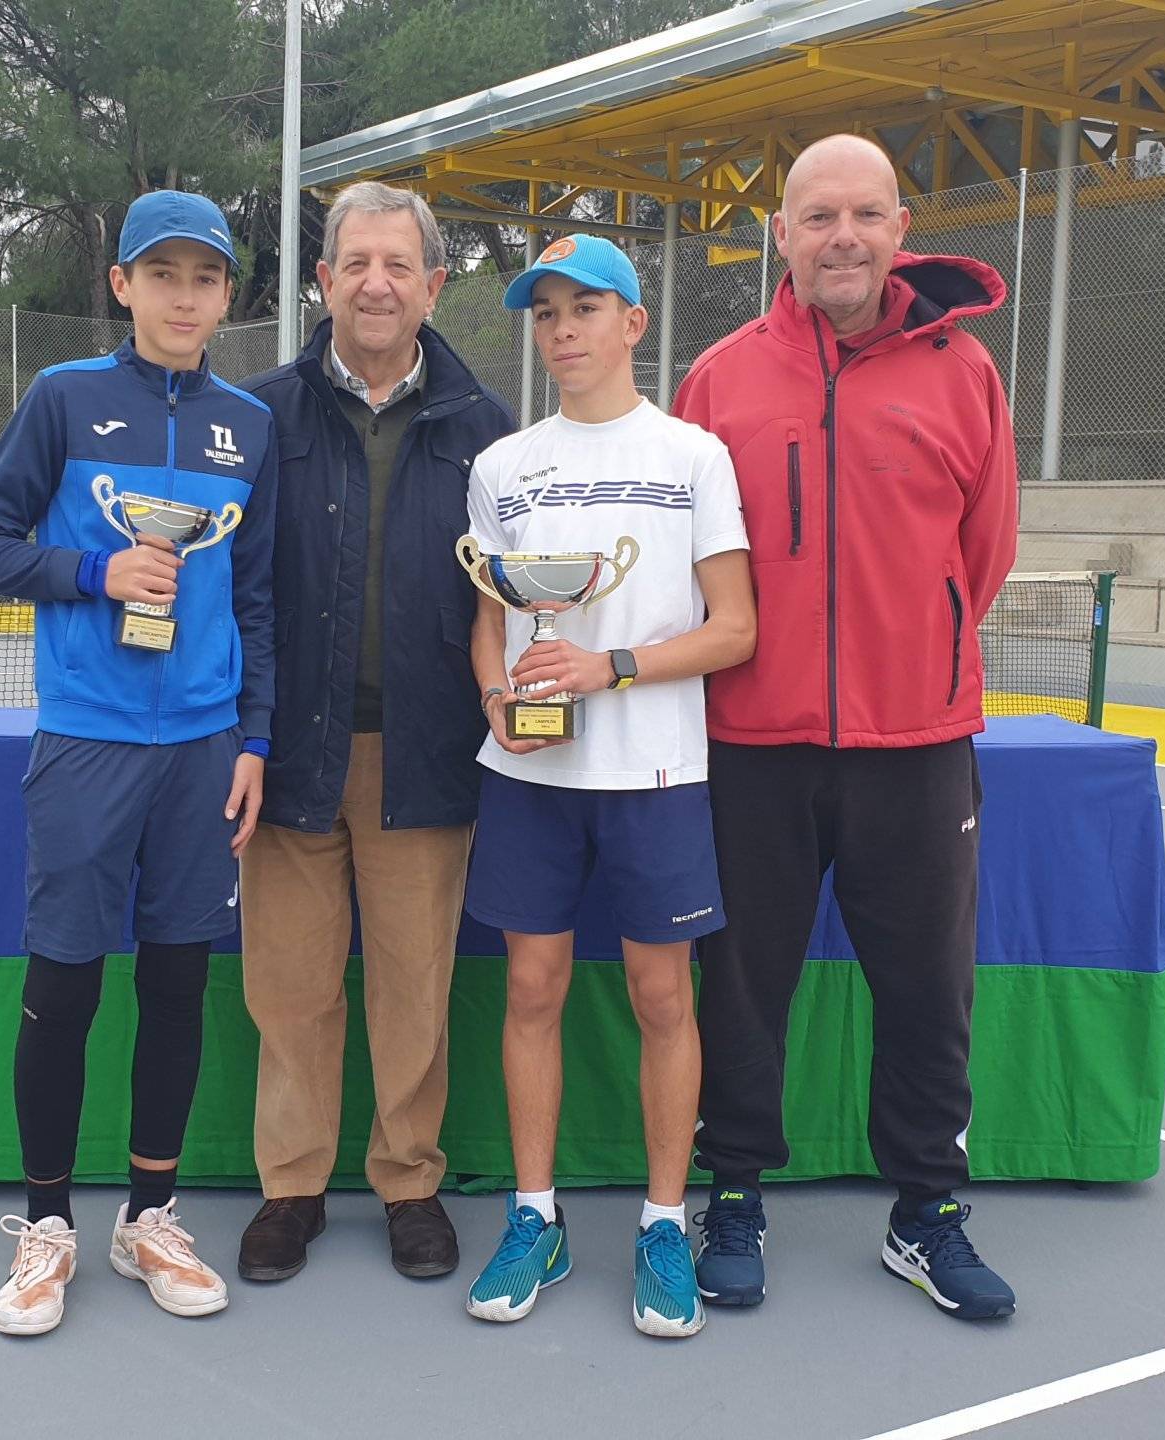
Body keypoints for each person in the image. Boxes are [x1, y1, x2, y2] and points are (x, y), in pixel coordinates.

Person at [675, 135, 1021, 1320]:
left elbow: (982, 555)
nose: (842, 238)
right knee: (741, 984)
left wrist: (908, 658)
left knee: (928, 989)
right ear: (780, 234)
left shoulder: (966, 372)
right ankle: (733, 1196)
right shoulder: (719, 378)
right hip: (752, 747)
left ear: (899, 226)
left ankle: (925, 1213)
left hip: (916, 749)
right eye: (817, 216)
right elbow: (688, 567)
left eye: (864, 215)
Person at [0, 189, 277, 1337]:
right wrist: (95, 576)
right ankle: (48, 1226)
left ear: (226, 297)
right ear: (122, 286)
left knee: (179, 982)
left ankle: (150, 1215)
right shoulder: (63, 399)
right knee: (67, 985)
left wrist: (254, 741)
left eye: (206, 278)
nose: (184, 296)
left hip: (200, 755)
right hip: (86, 742)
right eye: (163, 274)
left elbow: (259, 598)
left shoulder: (251, 423)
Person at [455, 234, 754, 1338]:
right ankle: (535, 1215)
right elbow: (488, 621)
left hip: (658, 772)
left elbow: (736, 629)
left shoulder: (693, 456)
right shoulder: (502, 467)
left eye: (586, 308)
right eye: (546, 314)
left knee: (661, 999)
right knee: (530, 993)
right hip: (530, 775)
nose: (563, 330)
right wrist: (498, 699)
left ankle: (663, 1222)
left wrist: (610, 667)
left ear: (634, 323)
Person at [234, 183, 514, 1283]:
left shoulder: (488, 431)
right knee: (290, 991)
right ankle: (290, 1189)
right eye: (355, 262)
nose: (376, 282)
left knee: (414, 990)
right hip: (290, 757)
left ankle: (408, 1182)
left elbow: (513, 601)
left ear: (435, 284)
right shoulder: (256, 416)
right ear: (323, 280)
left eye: (399, 264)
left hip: (429, 761)